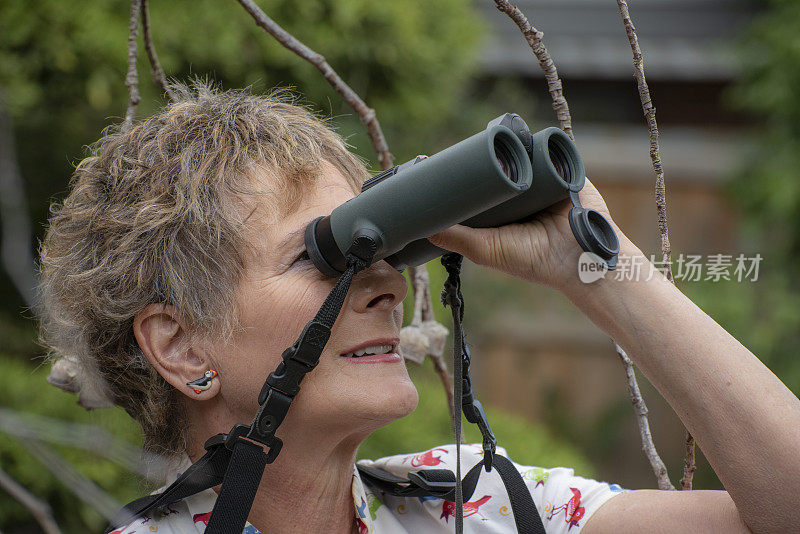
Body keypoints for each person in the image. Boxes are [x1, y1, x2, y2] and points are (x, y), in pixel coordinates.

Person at [39, 84, 800, 534]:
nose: (386, 284)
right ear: (180, 348)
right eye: (324, 256)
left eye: (387, 248)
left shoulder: (478, 504)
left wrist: (595, 265)